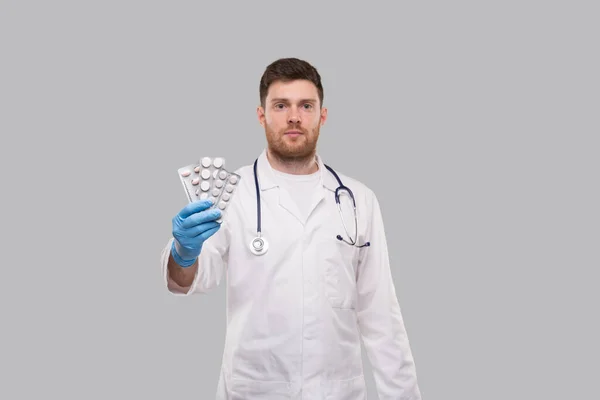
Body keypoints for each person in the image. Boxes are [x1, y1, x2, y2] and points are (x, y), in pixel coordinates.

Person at [160, 57, 423, 399]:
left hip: (336, 391)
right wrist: (183, 253)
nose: (294, 116)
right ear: (261, 115)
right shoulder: (230, 193)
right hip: (252, 390)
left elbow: (381, 315)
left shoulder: (359, 200)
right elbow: (189, 281)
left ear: (322, 116)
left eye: (306, 105)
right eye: (281, 105)